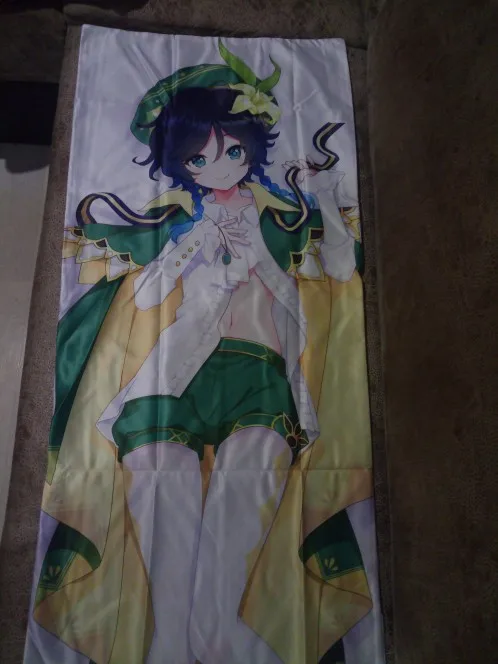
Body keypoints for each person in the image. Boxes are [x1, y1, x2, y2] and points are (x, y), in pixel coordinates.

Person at [33, 41, 370, 664]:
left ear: (252, 147)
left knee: (237, 524)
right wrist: (191, 245)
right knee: (165, 508)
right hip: (174, 378)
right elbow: (148, 295)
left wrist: (322, 197)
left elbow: (344, 267)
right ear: (181, 164)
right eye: (199, 157)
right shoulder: (176, 221)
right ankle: (166, 645)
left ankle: (220, 639)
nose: (219, 165)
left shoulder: (280, 215)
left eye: (232, 150)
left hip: (260, 375)